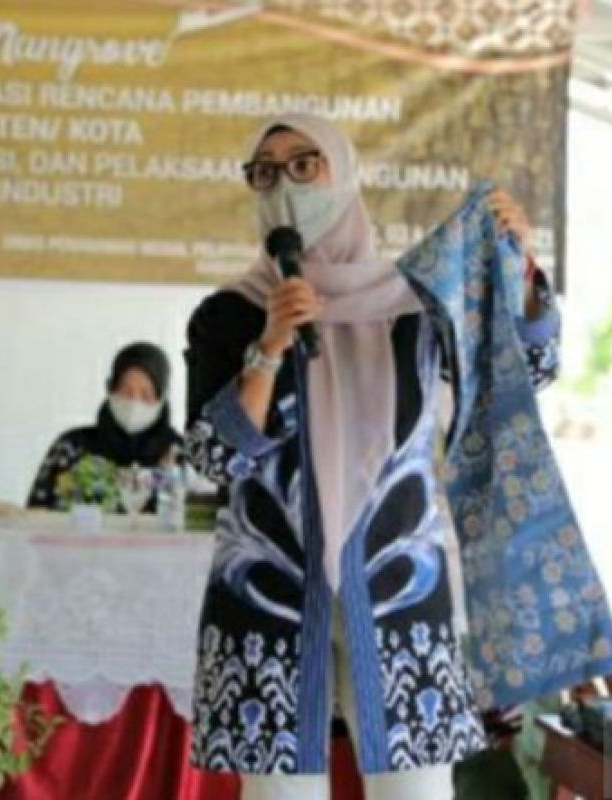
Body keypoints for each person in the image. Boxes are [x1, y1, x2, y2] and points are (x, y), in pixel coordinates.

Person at [181, 113, 560, 799]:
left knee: (415, 791)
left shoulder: (417, 308)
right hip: (267, 601)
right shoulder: (229, 315)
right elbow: (210, 459)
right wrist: (268, 348)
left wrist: (524, 271)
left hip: (400, 595)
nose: (283, 184)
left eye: (305, 164)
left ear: (345, 173)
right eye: (265, 172)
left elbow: (525, 372)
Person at [27, 342, 184, 511]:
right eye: (125, 391)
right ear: (110, 389)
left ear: (161, 399)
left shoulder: (180, 455)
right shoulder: (72, 448)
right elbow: (35, 516)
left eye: (146, 395)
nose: (134, 403)